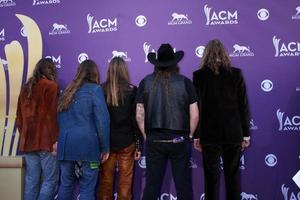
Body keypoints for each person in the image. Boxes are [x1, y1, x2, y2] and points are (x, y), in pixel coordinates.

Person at [136, 43, 199, 200]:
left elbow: (139, 115)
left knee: (151, 186)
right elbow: (195, 115)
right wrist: (189, 136)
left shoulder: (145, 82)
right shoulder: (185, 82)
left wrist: (146, 136)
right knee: (183, 185)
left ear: (156, 64)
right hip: (179, 140)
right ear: (175, 63)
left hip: (154, 140)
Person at [193, 39, 251, 200]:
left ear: (206, 55)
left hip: (209, 135)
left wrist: (197, 136)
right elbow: (243, 107)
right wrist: (245, 135)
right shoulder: (236, 74)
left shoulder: (198, 76)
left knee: (211, 179)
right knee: (232, 177)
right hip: (233, 134)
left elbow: (196, 108)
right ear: (224, 54)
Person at [56, 59, 110, 200]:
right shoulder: (95, 89)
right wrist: (105, 148)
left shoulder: (67, 91)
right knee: (87, 187)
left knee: (66, 185)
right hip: (87, 147)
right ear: (95, 73)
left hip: (66, 146)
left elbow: (59, 121)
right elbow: (103, 121)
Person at [98, 57, 142, 200]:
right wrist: (138, 145)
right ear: (124, 70)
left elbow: (98, 120)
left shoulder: (100, 89)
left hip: (106, 143)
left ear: (109, 70)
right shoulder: (132, 90)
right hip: (126, 142)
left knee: (105, 182)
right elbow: (136, 120)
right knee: (125, 183)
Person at [16, 58, 59, 200]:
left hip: (28, 142)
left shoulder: (25, 88)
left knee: (31, 181)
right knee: (49, 181)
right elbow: (51, 117)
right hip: (46, 142)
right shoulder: (51, 86)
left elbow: (19, 118)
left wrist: (24, 135)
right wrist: (55, 141)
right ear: (51, 70)